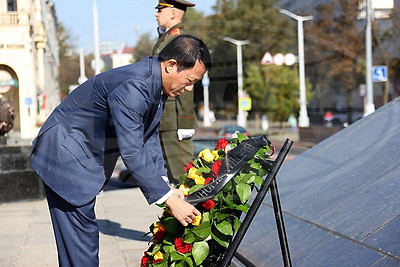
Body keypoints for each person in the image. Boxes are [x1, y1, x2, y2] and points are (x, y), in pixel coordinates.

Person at [29, 35, 212, 266]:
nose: (189, 88)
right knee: (80, 243)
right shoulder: (136, 86)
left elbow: (148, 137)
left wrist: (164, 185)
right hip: (64, 154)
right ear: (171, 65)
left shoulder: (155, 83)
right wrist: (168, 200)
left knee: (80, 242)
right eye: (189, 80)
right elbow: (133, 149)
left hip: (77, 152)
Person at [153, 0, 198, 184]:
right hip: (165, 118)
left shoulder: (181, 40)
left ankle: (198, 213)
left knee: (185, 178)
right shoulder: (167, 38)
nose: (156, 14)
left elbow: (187, 81)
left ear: (172, 13)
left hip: (175, 119)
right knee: (174, 180)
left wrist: (186, 121)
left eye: (160, 10)